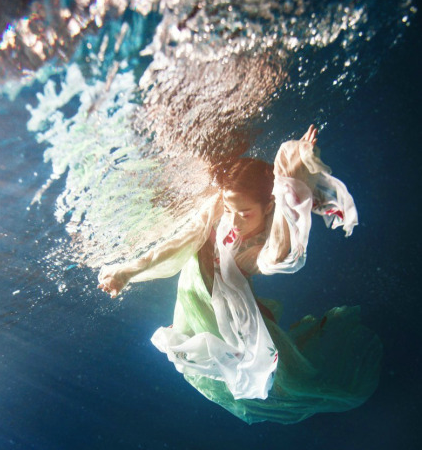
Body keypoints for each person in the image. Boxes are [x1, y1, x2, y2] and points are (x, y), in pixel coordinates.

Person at [98, 125, 382, 424]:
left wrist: (296, 175)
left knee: (296, 382)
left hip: (238, 298)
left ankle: (312, 335)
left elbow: (276, 257)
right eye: (229, 209)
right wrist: (126, 272)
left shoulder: (276, 229)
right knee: (228, 369)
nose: (232, 221)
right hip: (197, 291)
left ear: (269, 205)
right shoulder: (217, 208)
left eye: (245, 213)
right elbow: (175, 245)